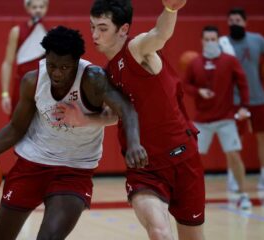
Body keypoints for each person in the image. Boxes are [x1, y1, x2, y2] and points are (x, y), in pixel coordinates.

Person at [0, 26, 147, 240]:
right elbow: (16, 127)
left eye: (65, 67)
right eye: (52, 65)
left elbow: (126, 108)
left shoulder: (93, 79)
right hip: (31, 164)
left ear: (77, 62)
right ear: (45, 59)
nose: (57, 73)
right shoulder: (32, 81)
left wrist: (134, 143)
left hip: (74, 169)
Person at [87, 0, 205, 239]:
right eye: (92, 27)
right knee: (159, 232)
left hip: (183, 157)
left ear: (123, 29)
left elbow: (160, 34)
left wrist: (170, 9)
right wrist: (80, 118)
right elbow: (114, 115)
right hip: (145, 167)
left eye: (102, 28)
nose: (94, 34)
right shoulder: (108, 73)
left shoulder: (137, 48)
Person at [183, 25, 252, 209]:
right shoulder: (195, 62)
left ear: (218, 40)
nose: (210, 42)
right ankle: (189, 194)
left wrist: (245, 106)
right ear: (202, 41)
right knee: (192, 158)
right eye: (207, 39)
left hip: (225, 118)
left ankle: (243, 194)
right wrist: (199, 91)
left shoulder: (230, 61)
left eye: (213, 39)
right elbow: (185, 85)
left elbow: (243, 83)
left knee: (234, 155)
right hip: (202, 120)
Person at [219, 8, 264, 191]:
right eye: (231, 20)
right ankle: (233, 177)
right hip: (235, 101)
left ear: (245, 22)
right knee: (233, 140)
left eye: (238, 19)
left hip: (258, 98)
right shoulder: (223, 44)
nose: (234, 22)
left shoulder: (258, 40)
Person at [0, 0, 49, 116]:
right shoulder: (17, 31)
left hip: (43, 86)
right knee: (18, 126)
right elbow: (7, 63)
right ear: (27, 8)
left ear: (46, 8)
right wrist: (5, 94)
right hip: (22, 86)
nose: (38, 10)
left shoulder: (50, 32)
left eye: (41, 7)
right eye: (34, 7)